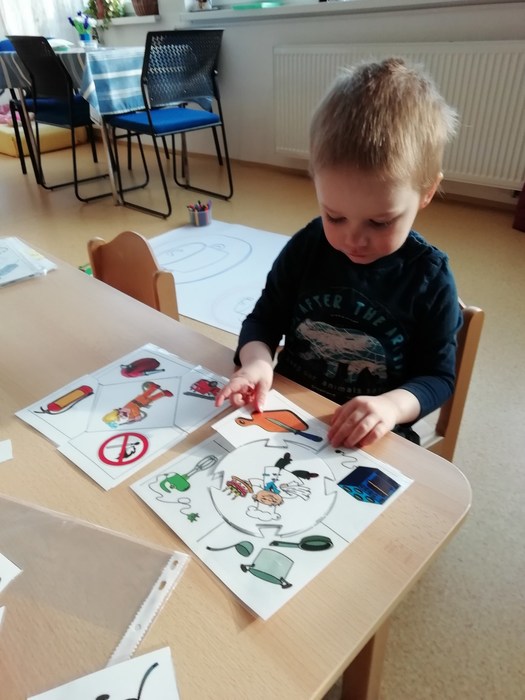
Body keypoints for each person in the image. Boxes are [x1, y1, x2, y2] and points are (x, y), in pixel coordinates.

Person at [215, 57, 462, 449]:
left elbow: (438, 378)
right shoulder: (307, 247)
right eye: (335, 216)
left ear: (427, 192)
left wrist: (390, 407)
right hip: (288, 409)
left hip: (374, 435)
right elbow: (263, 319)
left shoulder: (430, 279)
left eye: (380, 222)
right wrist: (257, 362)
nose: (354, 239)